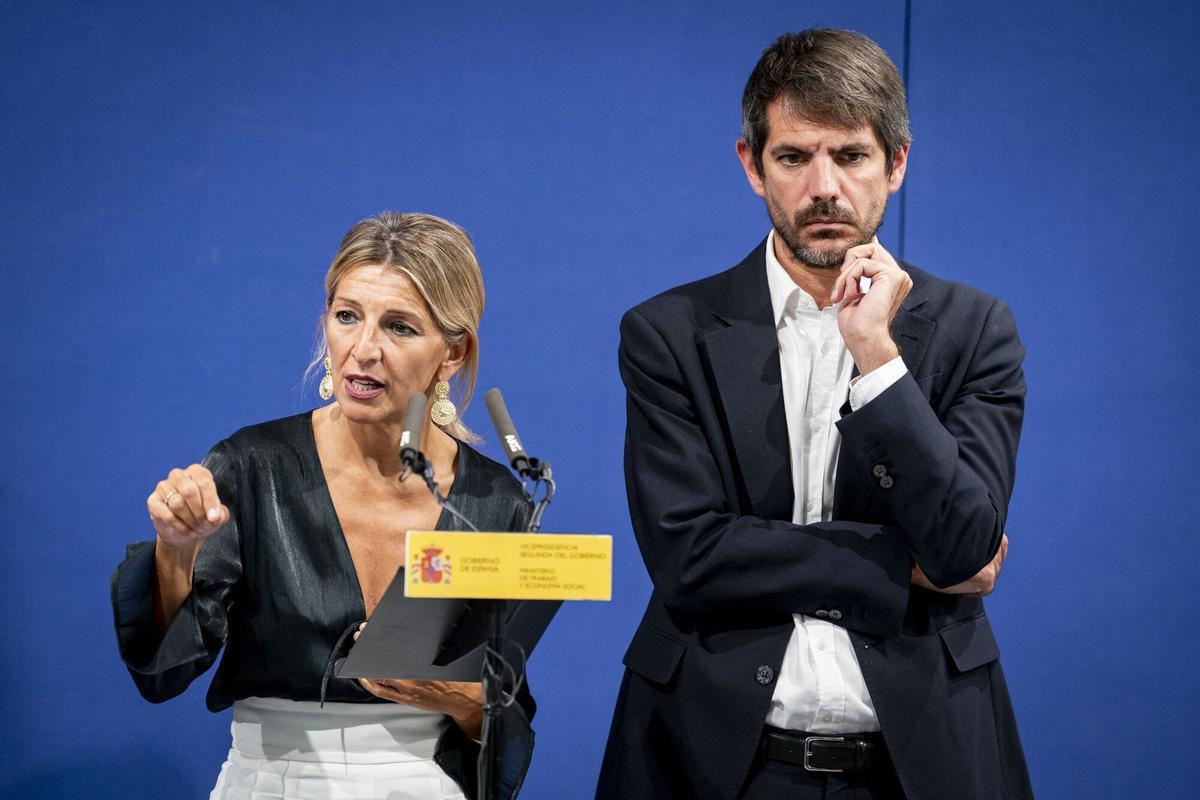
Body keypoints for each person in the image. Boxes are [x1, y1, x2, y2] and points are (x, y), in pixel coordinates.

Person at [596, 29, 1033, 800]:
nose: (822, 187)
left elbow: (964, 549)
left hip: (919, 761)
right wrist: (901, 565)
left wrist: (878, 360)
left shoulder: (975, 330)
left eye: (851, 156)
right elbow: (690, 556)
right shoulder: (668, 333)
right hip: (711, 760)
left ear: (896, 164)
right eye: (794, 157)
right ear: (751, 165)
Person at [112, 212, 534, 800]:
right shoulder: (252, 466)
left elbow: (505, 719)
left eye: (400, 327)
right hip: (275, 781)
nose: (364, 349)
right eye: (347, 317)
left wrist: (459, 701)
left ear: (453, 353)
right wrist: (175, 553)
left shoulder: (496, 502)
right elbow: (164, 673)